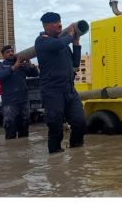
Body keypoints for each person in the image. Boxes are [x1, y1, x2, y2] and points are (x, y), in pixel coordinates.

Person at [35, 12, 87, 154]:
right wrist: (70, 35)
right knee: (55, 126)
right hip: (52, 92)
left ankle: (76, 153)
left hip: (69, 90)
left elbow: (75, 63)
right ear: (46, 25)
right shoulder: (42, 41)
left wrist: (76, 43)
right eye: (55, 22)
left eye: (60, 21)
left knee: (80, 122)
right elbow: (57, 45)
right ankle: (55, 161)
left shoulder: (64, 44)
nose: (59, 24)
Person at [0, 44, 39, 140]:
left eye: (11, 51)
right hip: (10, 102)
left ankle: (23, 148)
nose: (10, 53)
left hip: (23, 100)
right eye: (7, 52)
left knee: (25, 124)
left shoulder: (21, 64)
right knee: (10, 125)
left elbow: (35, 74)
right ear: (3, 55)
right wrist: (13, 67)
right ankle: (11, 150)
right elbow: (0, 76)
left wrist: (31, 66)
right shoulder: (0, 66)